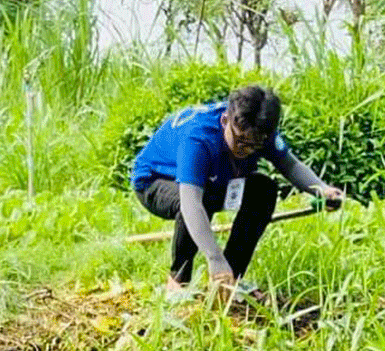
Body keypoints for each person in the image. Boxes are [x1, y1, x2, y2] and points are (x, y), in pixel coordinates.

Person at [130, 84, 346, 299]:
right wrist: (214, 258)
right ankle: (177, 282)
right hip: (155, 181)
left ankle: (230, 279)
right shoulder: (199, 138)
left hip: (213, 181)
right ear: (226, 121)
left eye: (254, 146)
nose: (246, 150)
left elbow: (289, 165)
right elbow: (191, 203)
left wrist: (323, 190)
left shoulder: (259, 129)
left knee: (264, 189)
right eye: (241, 141)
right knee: (202, 200)